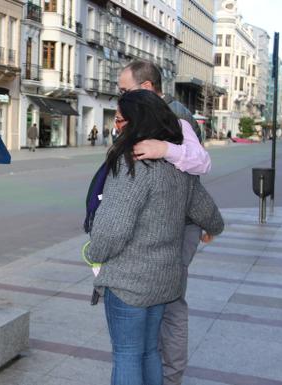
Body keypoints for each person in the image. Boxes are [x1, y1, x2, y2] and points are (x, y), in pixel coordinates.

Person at [85, 89, 224, 385]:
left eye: (121, 120)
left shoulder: (133, 163)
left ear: (138, 122)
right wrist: (212, 229)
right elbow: (208, 212)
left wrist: (94, 252)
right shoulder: (178, 164)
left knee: (126, 354)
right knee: (149, 352)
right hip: (165, 280)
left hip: (129, 283)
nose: (117, 126)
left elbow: (113, 229)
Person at [117, 60, 211, 385]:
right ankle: (150, 370)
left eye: (125, 90)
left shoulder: (176, 115)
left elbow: (201, 162)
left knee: (170, 305)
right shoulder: (140, 116)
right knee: (149, 303)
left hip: (177, 227)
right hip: (151, 227)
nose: (121, 96)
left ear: (145, 88)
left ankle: (169, 378)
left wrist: (164, 148)